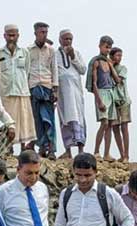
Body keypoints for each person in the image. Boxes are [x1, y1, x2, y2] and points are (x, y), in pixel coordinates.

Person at [0, 24, 36, 152]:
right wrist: (4, 84)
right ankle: (9, 147)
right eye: (9, 35)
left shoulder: (24, 52)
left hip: (22, 90)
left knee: (24, 120)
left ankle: (23, 147)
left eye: (14, 35)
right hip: (7, 92)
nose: (11, 38)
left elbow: (26, 71)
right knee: (9, 120)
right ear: (4, 36)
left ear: (18, 36)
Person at [28, 22, 58, 160]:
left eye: (45, 32)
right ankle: (42, 147)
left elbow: (54, 70)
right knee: (37, 120)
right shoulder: (28, 50)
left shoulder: (51, 50)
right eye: (41, 32)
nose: (44, 34)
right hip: (34, 86)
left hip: (47, 86)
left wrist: (55, 89)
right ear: (35, 33)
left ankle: (52, 148)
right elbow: (26, 70)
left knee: (49, 119)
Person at [87, 36, 120, 161]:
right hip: (101, 93)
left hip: (110, 92)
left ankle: (107, 153)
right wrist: (98, 100)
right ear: (100, 46)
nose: (107, 50)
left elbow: (117, 80)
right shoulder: (96, 61)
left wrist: (111, 66)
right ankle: (96, 151)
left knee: (110, 124)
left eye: (109, 48)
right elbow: (94, 83)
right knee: (104, 122)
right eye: (106, 47)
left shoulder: (108, 62)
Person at [55, 29, 86, 159]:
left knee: (78, 119)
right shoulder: (55, 55)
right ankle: (68, 151)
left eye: (70, 39)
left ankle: (81, 150)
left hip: (76, 92)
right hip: (63, 93)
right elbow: (54, 72)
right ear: (60, 40)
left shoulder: (77, 53)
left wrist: (73, 57)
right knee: (65, 119)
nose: (68, 42)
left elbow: (83, 69)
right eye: (65, 39)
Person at [110, 47, 131, 162]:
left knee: (124, 127)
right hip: (113, 101)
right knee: (115, 128)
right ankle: (122, 154)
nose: (119, 58)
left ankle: (126, 155)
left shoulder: (123, 68)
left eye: (120, 56)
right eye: (117, 55)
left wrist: (111, 66)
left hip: (123, 100)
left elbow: (118, 80)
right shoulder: (106, 68)